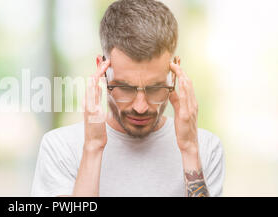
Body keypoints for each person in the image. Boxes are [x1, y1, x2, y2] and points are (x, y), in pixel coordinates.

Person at [31, 0, 225, 197]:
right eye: (125, 87)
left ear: (174, 72)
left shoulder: (206, 148)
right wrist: (93, 147)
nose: (140, 107)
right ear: (102, 70)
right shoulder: (60, 148)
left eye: (155, 87)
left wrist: (190, 149)